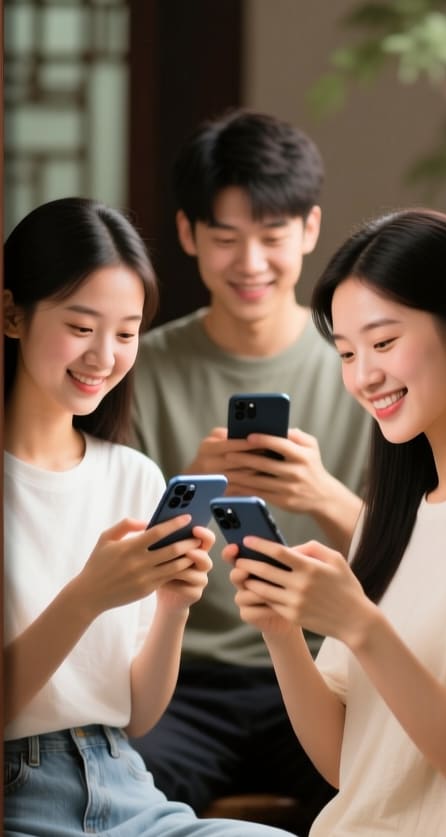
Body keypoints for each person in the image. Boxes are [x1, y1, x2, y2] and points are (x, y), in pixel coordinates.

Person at [2, 197, 291, 836]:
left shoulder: (132, 474)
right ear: (12, 313)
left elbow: (136, 718)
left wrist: (172, 606)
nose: (104, 355)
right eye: (80, 327)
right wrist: (87, 597)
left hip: (129, 789)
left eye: (127, 332)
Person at [223, 208, 446, 835]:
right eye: (347, 353)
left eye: (383, 343)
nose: (363, 376)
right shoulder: (393, 517)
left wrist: (359, 624)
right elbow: (347, 765)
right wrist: (280, 630)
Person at [129, 109, 372, 823]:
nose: (252, 263)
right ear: (187, 234)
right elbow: (106, 557)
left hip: (323, 670)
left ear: (309, 230)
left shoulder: (363, 372)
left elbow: (414, 560)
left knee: (385, 793)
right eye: (226, 238)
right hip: (179, 681)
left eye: (272, 237)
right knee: (119, 797)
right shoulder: (137, 370)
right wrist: (184, 491)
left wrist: (327, 497)